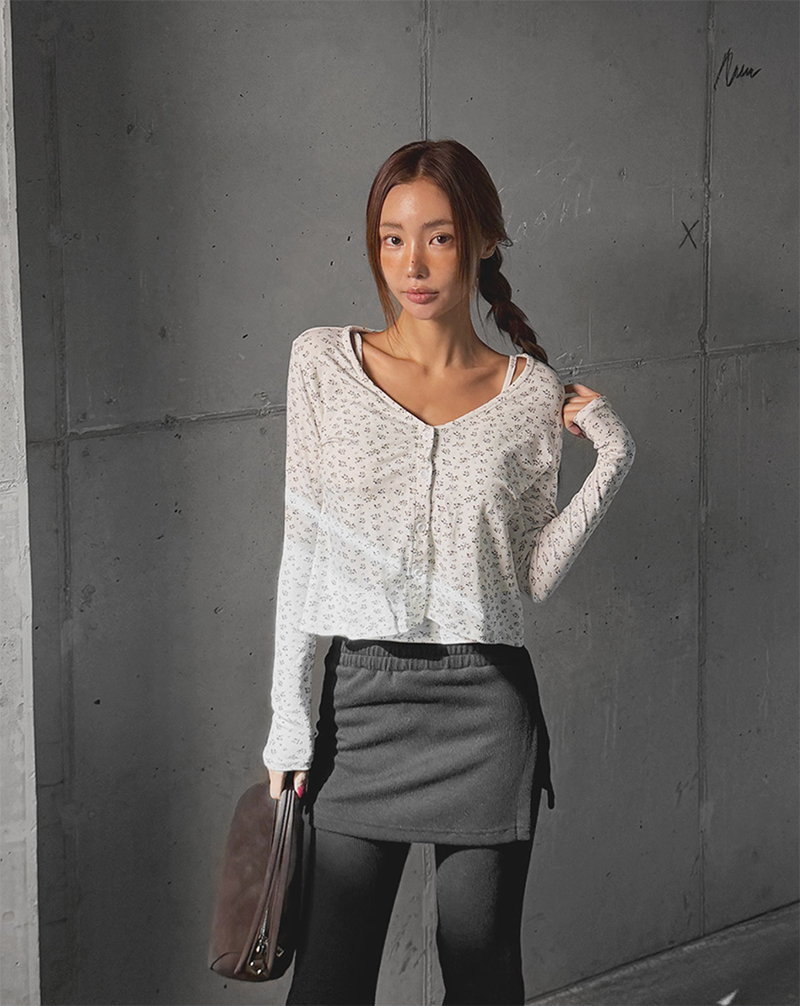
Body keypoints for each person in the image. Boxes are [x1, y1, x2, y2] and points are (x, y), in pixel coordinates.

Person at [261, 138, 636, 1005]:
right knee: (328, 984)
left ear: (483, 241)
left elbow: (528, 578)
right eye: (392, 239)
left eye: (438, 236)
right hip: (360, 707)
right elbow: (303, 550)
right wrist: (288, 726)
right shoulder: (323, 363)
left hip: (485, 712)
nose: (414, 264)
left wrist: (613, 458)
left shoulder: (530, 394)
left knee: (481, 973)